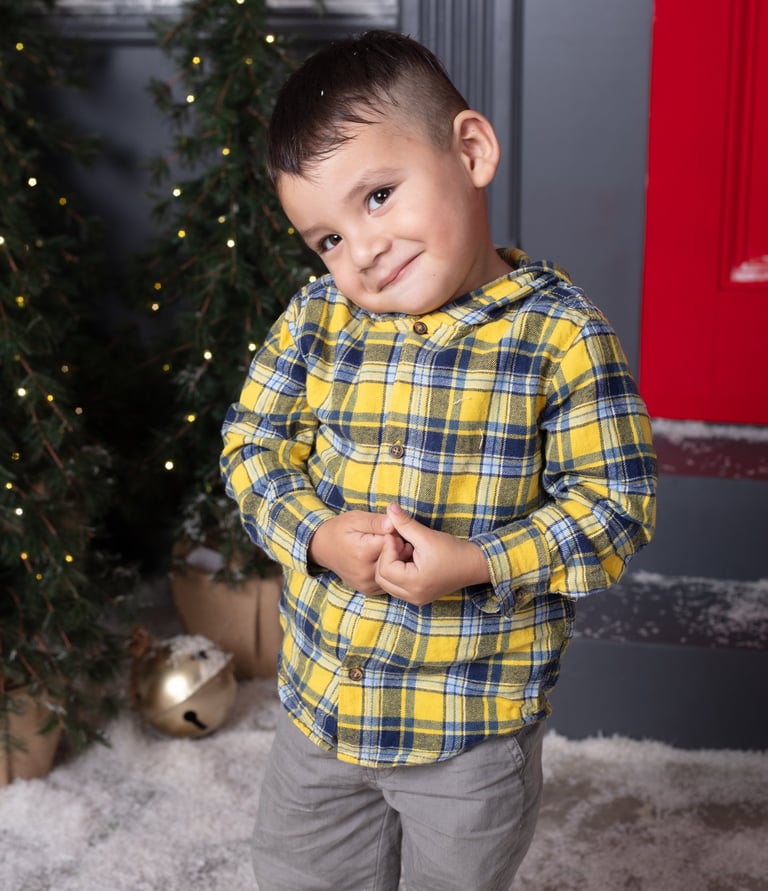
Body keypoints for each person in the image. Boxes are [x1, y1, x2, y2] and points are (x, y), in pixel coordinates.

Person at [220, 29, 656, 891]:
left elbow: (615, 510)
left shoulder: (561, 337)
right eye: (327, 239)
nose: (362, 251)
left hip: (469, 728)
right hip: (322, 708)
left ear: (471, 150)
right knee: (301, 875)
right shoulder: (316, 322)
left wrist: (479, 562)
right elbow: (251, 444)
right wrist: (316, 535)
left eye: (379, 196)